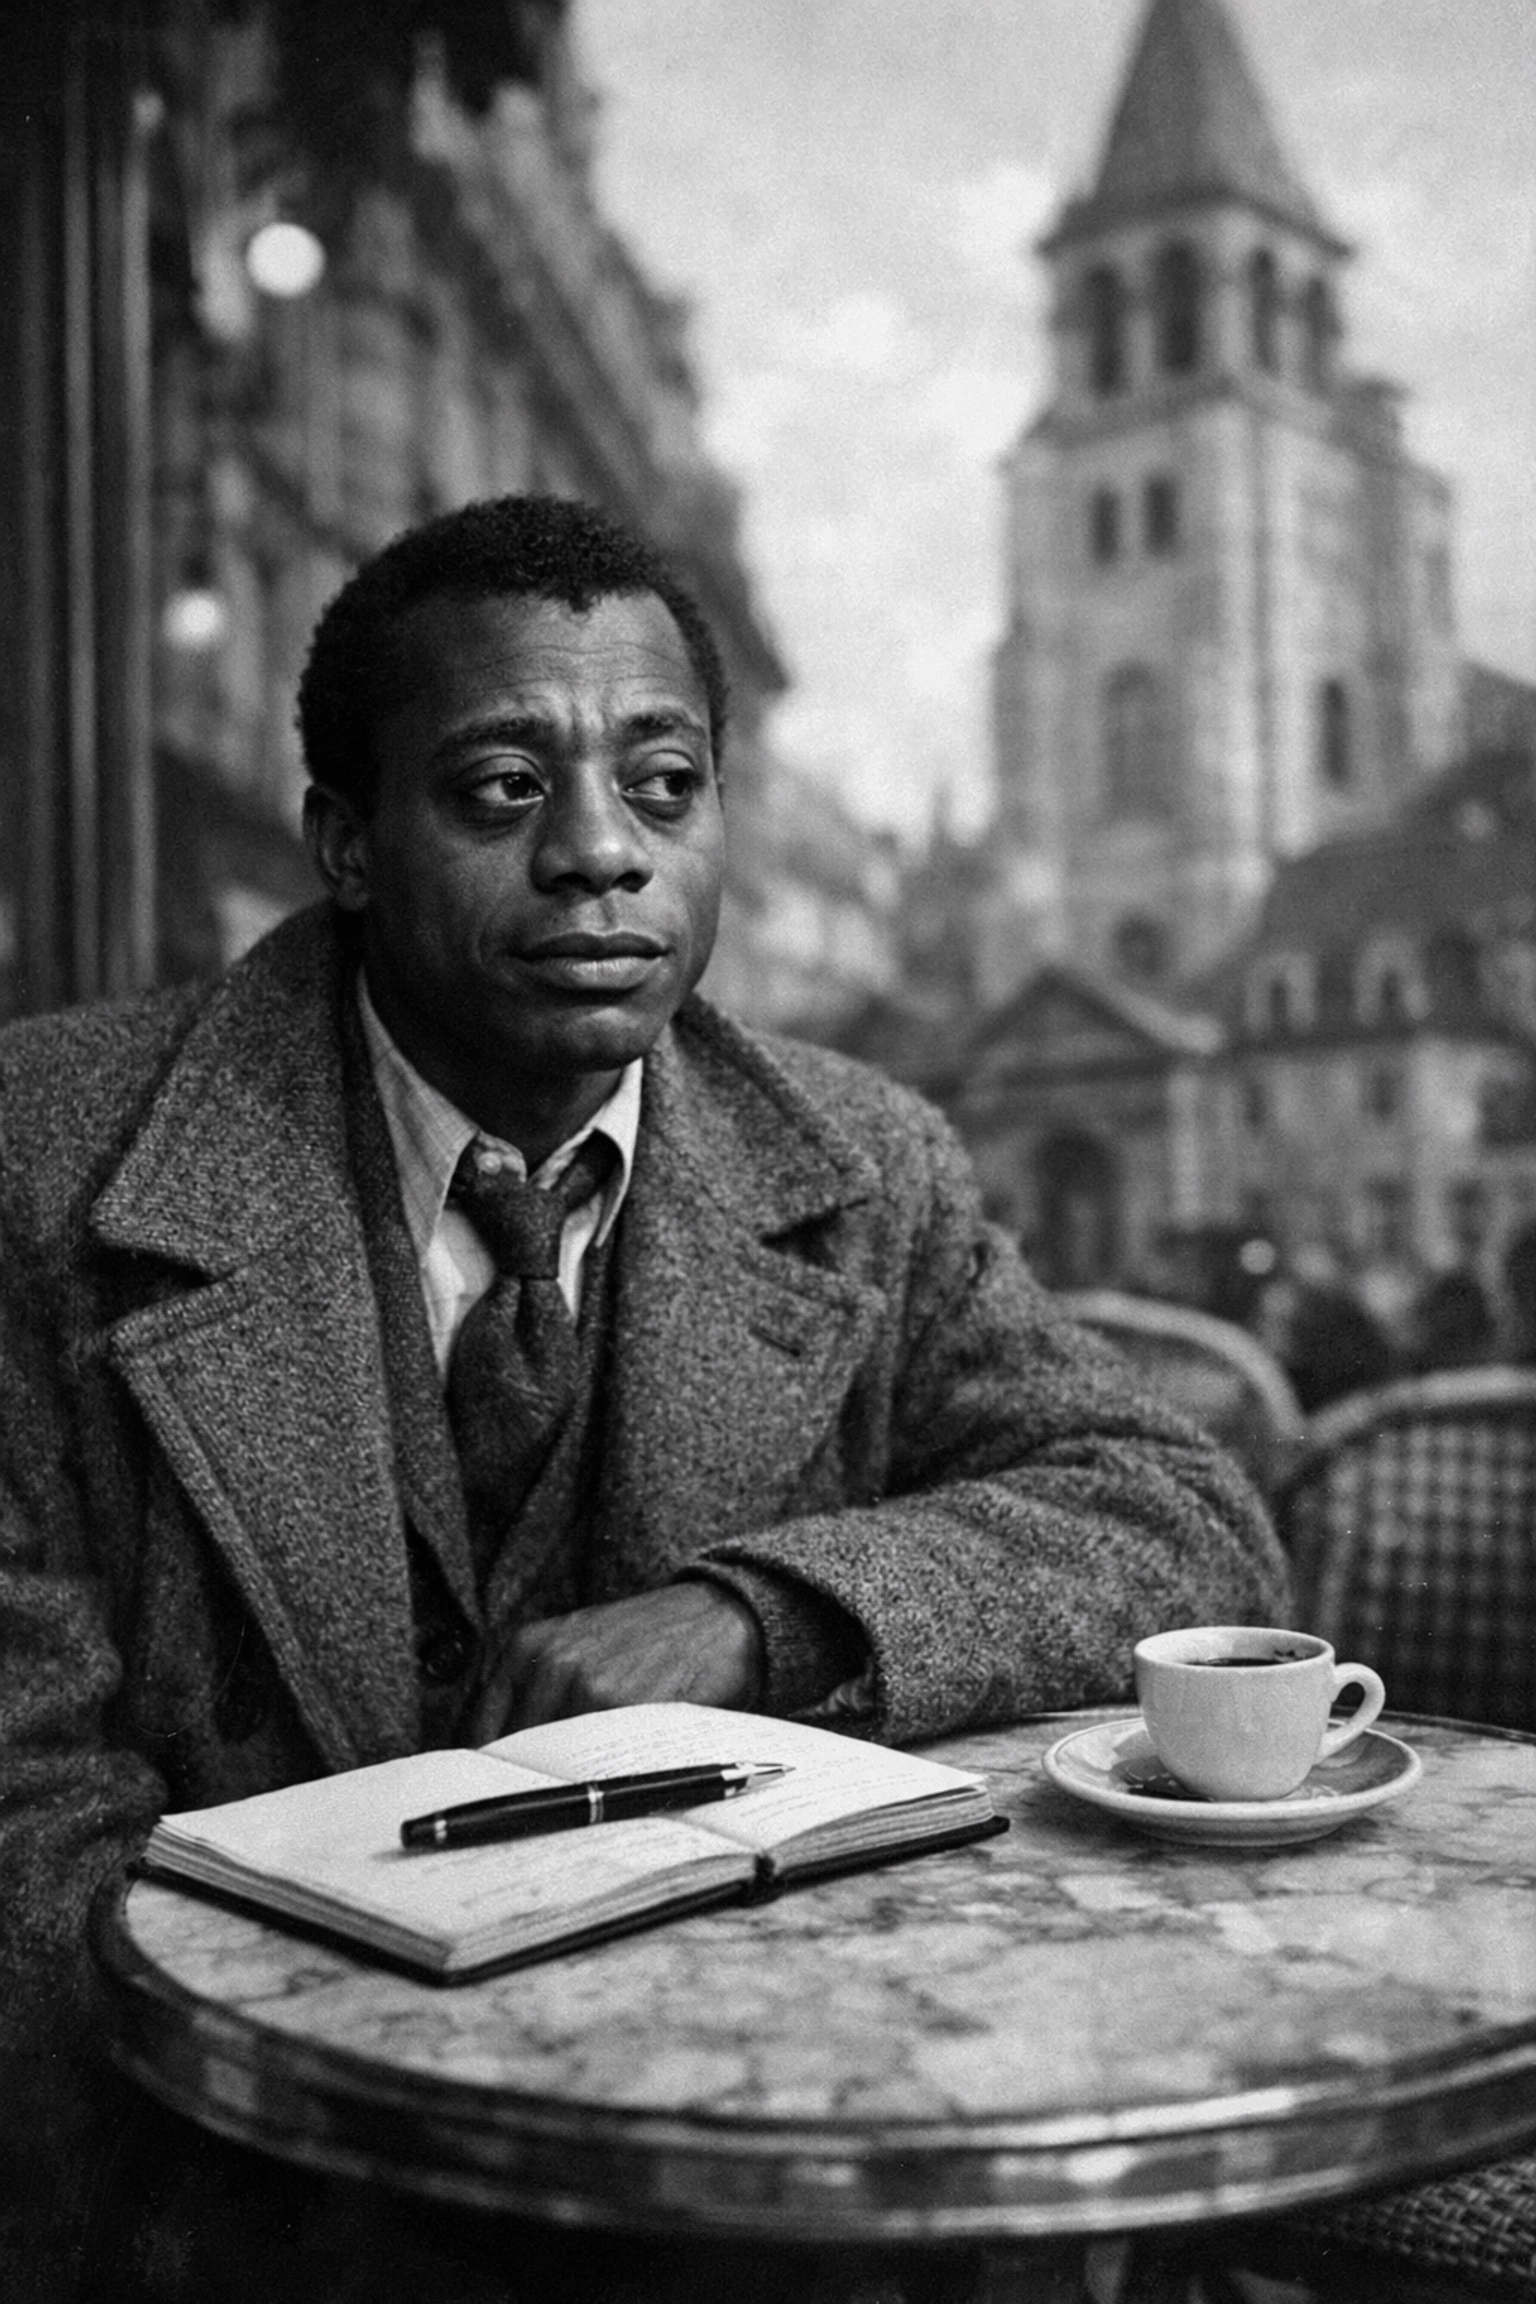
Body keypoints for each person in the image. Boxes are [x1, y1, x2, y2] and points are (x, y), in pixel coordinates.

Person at [0, 495, 1285, 2295]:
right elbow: (26, 1841)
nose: (603, 854)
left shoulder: (862, 1161)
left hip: (757, 2178)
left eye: (665, 785)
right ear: (346, 844)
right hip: (258, 2201)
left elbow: (1185, 1521)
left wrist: (759, 1620)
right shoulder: (45, 1162)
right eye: (502, 789)